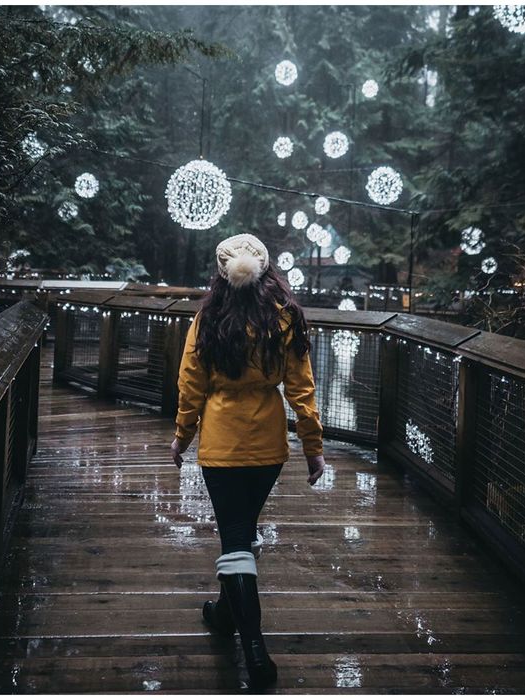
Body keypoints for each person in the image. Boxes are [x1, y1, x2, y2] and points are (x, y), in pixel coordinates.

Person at [170, 233, 326, 690]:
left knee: (235, 535)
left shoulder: (208, 318)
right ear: (267, 270)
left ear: (221, 274)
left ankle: (255, 651)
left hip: (222, 446)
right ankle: (224, 614)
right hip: (268, 447)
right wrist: (313, 446)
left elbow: (191, 384)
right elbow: (301, 388)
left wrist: (182, 435)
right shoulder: (286, 317)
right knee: (240, 530)